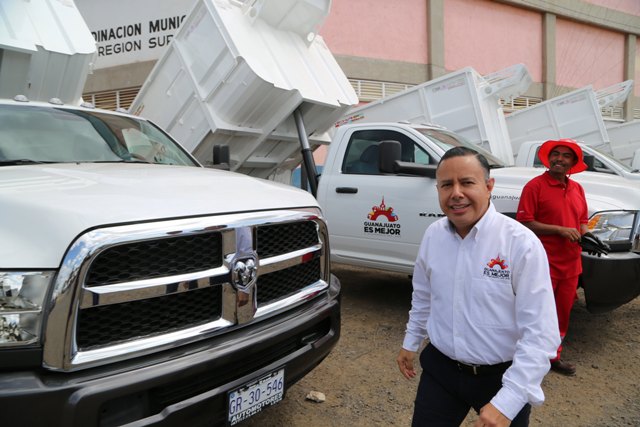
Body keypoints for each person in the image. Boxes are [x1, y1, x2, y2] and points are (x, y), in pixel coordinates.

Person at [397, 146, 560, 427]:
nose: (456, 193)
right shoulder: (433, 236)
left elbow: (540, 333)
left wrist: (508, 401)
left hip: (501, 378)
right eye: (446, 185)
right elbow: (423, 296)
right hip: (441, 371)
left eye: (467, 182)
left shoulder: (520, 244)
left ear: (489, 186)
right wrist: (411, 341)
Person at [516, 138, 589, 377]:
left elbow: (582, 221)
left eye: (566, 156)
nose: (559, 159)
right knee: (537, 311)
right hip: (543, 262)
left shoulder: (577, 188)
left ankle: (552, 356)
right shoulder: (534, 186)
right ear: (548, 159)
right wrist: (559, 230)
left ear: (573, 162)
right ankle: (529, 357)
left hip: (571, 263)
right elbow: (525, 222)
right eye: (555, 154)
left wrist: (588, 236)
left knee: (562, 312)